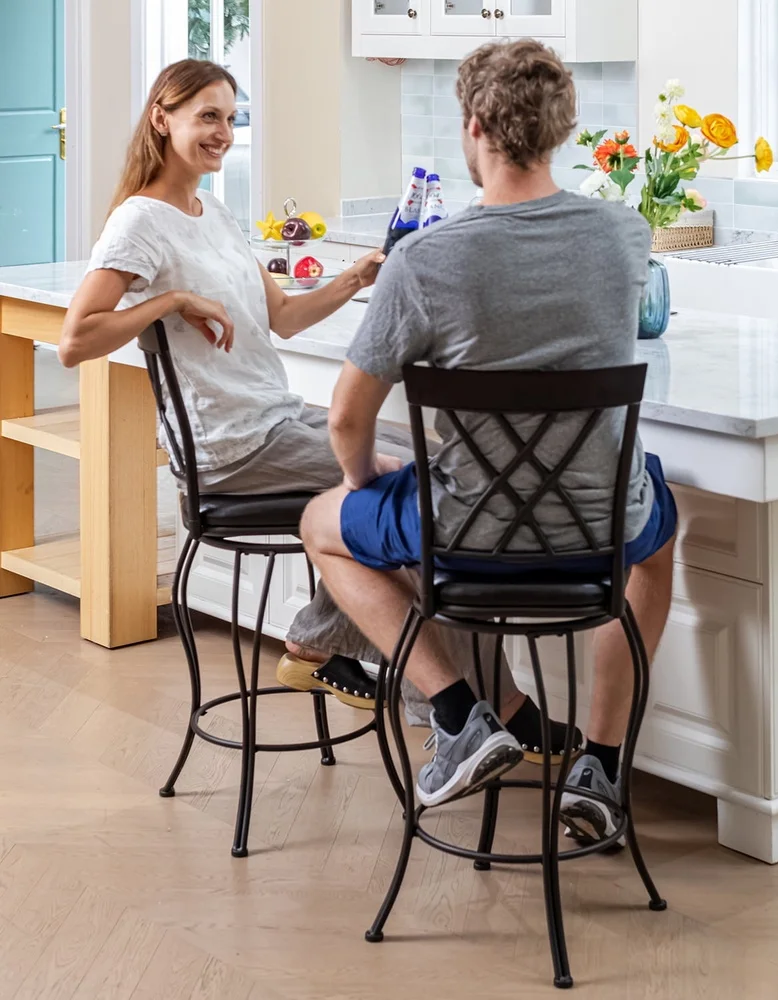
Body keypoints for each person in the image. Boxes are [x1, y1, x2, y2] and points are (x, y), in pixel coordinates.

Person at [59, 58, 567, 759]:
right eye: (207, 115)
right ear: (161, 117)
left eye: (232, 119)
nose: (223, 133)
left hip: (275, 417)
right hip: (233, 448)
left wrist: (355, 276)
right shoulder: (139, 222)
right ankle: (479, 706)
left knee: (423, 482)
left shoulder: (213, 210)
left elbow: (286, 319)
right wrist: (171, 301)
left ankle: (347, 651)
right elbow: (75, 339)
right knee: (426, 492)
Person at [300, 39, 678, 841]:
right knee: (659, 528)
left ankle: (456, 712)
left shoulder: (424, 260)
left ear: (474, 126)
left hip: (465, 541)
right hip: (598, 537)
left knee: (322, 525)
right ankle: (602, 767)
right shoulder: (624, 236)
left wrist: (365, 479)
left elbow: (344, 418)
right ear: (563, 130)